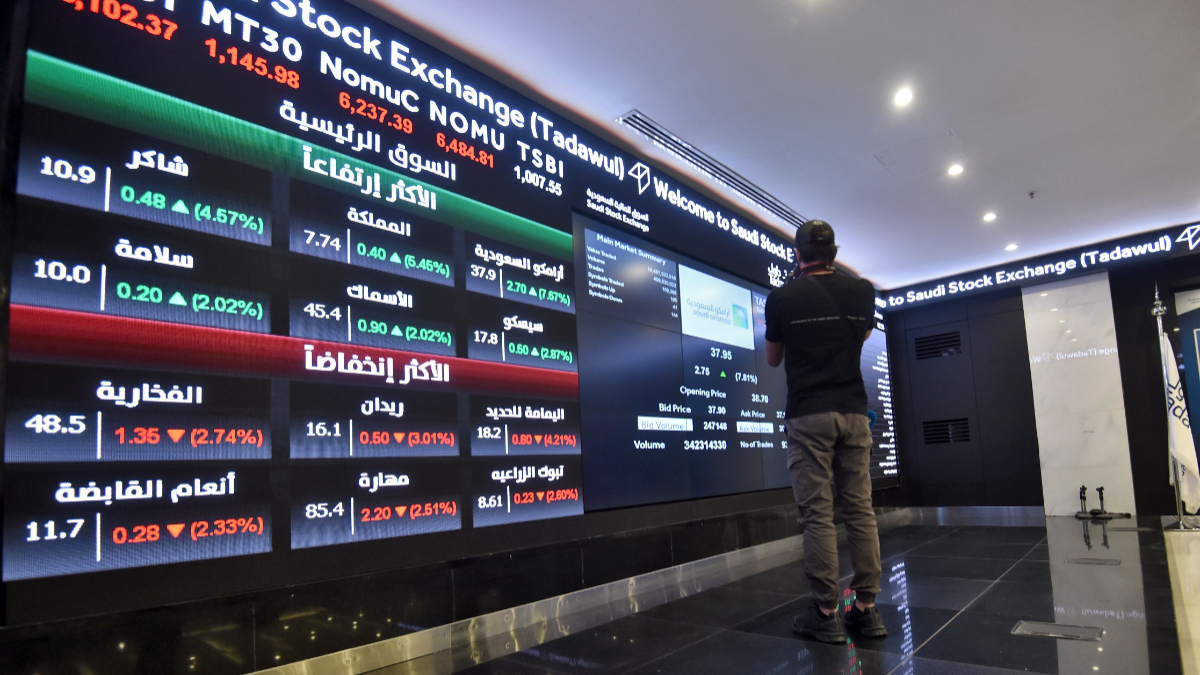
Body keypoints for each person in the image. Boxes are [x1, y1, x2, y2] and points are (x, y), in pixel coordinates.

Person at [764, 219, 886, 643]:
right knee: (860, 509)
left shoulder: (782, 298)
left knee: (817, 513)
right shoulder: (862, 291)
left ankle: (824, 611)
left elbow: (773, 358)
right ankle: (866, 610)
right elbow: (860, 336)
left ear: (797, 254)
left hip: (808, 415)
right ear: (834, 253)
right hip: (853, 412)